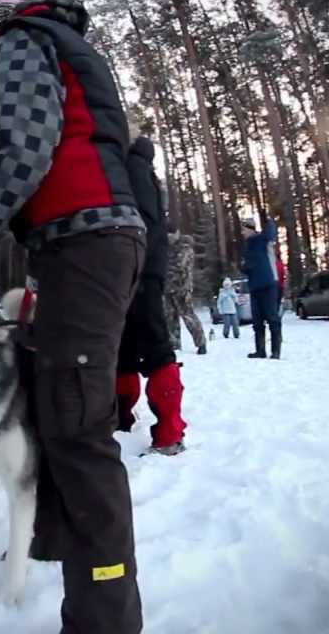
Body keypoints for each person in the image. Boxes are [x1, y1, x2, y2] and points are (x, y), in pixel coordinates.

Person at [0, 0, 145, 634]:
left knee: (78, 431)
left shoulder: (25, 39)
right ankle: (50, 539)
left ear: (0, 21)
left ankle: (104, 618)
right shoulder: (72, 46)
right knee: (56, 410)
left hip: (85, 243)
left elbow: (24, 148)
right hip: (80, 245)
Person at [115, 132, 188, 456]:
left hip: (139, 267)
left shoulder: (132, 166)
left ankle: (170, 432)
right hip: (140, 266)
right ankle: (121, 420)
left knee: (153, 345)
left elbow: (140, 221)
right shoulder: (143, 169)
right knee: (125, 347)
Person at [240, 210, 282, 359]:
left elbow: (271, 232)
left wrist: (268, 219)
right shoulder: (246, 247)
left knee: (272, 318)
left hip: (268, 284)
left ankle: (275, 351)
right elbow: (246, 265)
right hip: (254, 287)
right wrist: (245, 267)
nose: (242, 232)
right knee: (257, 321)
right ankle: (260, 350)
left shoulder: (261, 239)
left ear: (251, 229)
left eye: (244, 229)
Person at [164, 227, 207, 355]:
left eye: (171, 234)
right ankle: (174, 344)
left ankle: (201, 343)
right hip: (167, 288)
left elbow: (180, 266)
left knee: (188, 316)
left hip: (182, 288)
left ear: (177, 233)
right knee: (170, 318)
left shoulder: (184, 247)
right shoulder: (166, 248)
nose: (169, 237)